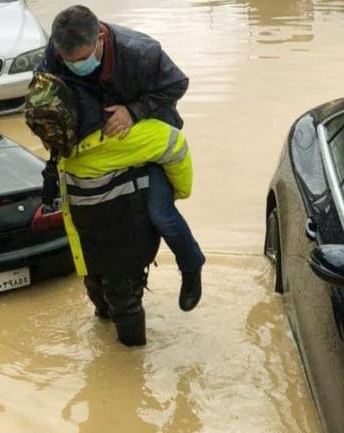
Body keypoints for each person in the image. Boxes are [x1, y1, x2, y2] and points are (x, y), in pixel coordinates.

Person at [37, 5, 205, 312]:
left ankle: (191, 266)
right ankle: (104, 291)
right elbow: (43, 87)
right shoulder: (56, 50)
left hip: (144, 137)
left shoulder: (141, 53)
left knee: (160, 214)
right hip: (97, 142)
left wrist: (135, 110)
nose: (74, 65)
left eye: (81, 59)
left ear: (100, 38)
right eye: (68, 61)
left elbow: (177, 84)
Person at [25, 72, 193, 347]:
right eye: (41, 135)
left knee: (124, 303)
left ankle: (131, 370)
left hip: (124, 238)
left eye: (51, 135)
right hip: (89, 241)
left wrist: (177, 192)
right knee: (98, 295)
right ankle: (108, 350)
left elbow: (174, 144)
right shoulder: (63, 147)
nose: (47, 142)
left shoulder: (118, 135)